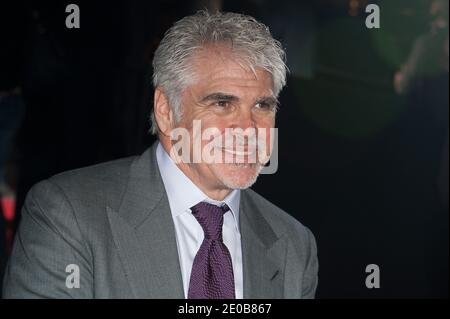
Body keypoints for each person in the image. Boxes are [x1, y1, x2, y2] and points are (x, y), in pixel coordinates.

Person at [2, 10, 318, 299]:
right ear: (166, 111)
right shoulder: (68, 216)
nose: (248, 128)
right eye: (222, 103)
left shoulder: (293, 245)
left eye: (262, 106)